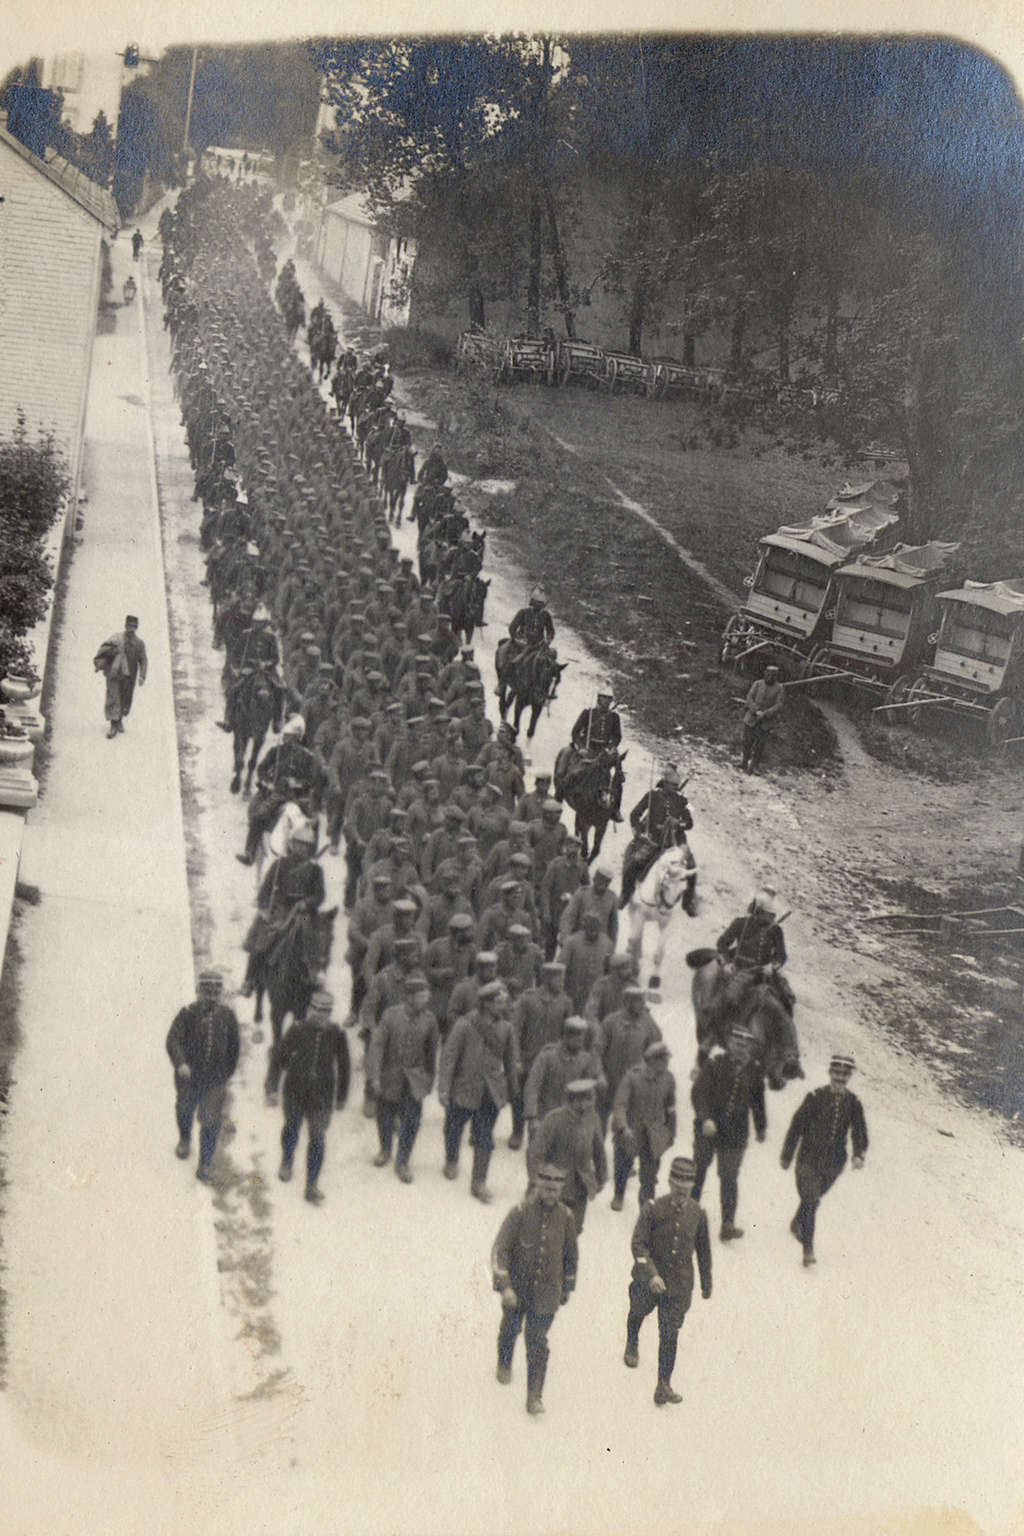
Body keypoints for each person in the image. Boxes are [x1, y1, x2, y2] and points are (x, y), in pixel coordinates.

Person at [491, 1162, 579, 1416]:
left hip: (547, 1294)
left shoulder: (566, 1218)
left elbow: (571, 1255)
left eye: (556, 1189)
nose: (550, 1193)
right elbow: (500, 1250)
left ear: (562, 1189)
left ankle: (534, 1396)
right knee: (509, 1329)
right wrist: (505, 1286)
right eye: (546, 1188)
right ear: (538, 1186)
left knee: (537, 1342)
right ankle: (504, 1361)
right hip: (517, 1291)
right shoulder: (520, 1212)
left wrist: (566, 1288)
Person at [623, 1155, 712, 1406]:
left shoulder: (698, 1214)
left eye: (688, 1183)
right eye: (678, 1181)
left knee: (670, 1334)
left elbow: (703, 1251)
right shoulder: (653, 1208)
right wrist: (651, 1274)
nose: (682, 1188)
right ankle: (632, 1340)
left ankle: (663, 1384)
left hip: (679, 1286)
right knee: (638, 1310)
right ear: (670, 1182)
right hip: (648, 1281)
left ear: (693, 1185)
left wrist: (707, 1283)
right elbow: (638, 1244)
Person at [780, 1052, 868, 1267]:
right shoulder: (815, 1097)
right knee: (811, 1201)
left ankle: (796, 1222)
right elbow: (796, 1126)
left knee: (813, 1199)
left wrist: (858, 1154)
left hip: (833, 1163)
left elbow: (859, 1131)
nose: (840, 1078)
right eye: (836, 1073)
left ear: (849, 1077)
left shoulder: (853, 1103)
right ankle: (807, 1249)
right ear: (830, 1073)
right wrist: (787, 1155)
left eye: (844, 1074)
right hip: (808, 1159)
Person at [690, 1024, 766, 1241]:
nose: (740, 1048)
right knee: (700, 1168)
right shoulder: (715, 1064)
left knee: (729, 1177)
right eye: (737, 1043)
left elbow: (758, 1102)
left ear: (750, 1047)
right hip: (709, 1128)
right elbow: (699, 1093)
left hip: (735, 1133)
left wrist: (761, 1128)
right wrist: (705, 1118)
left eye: (745, 1044)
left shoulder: (754, 1071)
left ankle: (727, 1224)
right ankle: (689, 1215)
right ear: (729, 1044)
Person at [274, 989, 350, 1204]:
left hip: (322, 1095)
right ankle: (287, 1160)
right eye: (315, 1010)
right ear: (308, 1010)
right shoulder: (297, 1030)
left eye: (325, 1012)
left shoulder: (336, 1034)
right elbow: (279, 1057)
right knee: (291, 1127)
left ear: (330, 1014)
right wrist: (274, 1083)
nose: (319, 1015)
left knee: (317, 1137)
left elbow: (344, 1066)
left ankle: (312, 1184)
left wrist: (342, 1095)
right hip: (295, 1091)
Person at [165, 970, 240, 1183]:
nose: (211, 994)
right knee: (184, 1108)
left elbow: (234, 1047)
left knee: (210, 1120)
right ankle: (185, 1138)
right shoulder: (187, 1013)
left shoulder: (228, 1017)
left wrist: (226, 1072)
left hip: (215, 1080)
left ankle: (205, 1163)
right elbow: (173, 1040)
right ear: (198, 991)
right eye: (207, 990)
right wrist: (181, 1063)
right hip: (189, 1077)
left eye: (216, 990)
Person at [366, 973, 439, 1182]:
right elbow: (377, 1046)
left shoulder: (430, 1020)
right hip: (390, 1075)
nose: (426, 999)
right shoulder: (390, 1016)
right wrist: (375, 1077)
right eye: (422, 996)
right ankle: (385, 1150)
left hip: (415, 1079)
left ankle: (403, 1161)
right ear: (409, 997)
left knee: (413, 1121)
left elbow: (432, 1052)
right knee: (385, 1114)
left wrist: (428, 1080)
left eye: (427, 995)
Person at [528, 1078, 606, 1234]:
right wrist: (536, 1181)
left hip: (581, 1187)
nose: (589, 1103)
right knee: (550, 1231)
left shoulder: (593, 1119)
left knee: (574, 1230)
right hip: (555, 1185)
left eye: (590, 1098)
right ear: (573, 1100)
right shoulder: (554, 1119)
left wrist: (601, 1178)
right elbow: (537, 1152)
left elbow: (599, 1151)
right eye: (585, 1099)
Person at [611, 1040, 676, 1210]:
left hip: (653, 1135)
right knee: (622, 1167)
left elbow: (671, 1108)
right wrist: (623, 1127)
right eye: (663, 1059)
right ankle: (619, 1194)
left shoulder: (668, 1079)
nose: (667, 1063)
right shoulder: (632, 1077)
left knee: (649, 1174)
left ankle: (646, 1206)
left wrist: (671, 1132)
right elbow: (620, 1104)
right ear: (652, 1060)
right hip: (631, 1132)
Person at [620, 763, 694, 909]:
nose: (675, 788)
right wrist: (639, 834)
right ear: (665, 783)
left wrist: (678, 823)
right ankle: (626, 894)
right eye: (672, 785)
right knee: (633, 865)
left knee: (691, 867)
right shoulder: (652, 795)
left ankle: (688, 901)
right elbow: (635, 814)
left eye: (677, 785)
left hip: (674, 843)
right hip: (653, 839)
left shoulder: (682, 801)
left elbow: (689, 823)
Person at [93, 614, 148, 738]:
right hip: (115, 674)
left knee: (125, 699)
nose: (131, 629)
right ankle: (113, 725)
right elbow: (104, 650)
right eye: (129, 626)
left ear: (137, 628)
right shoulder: (116, 639)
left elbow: (143, 660)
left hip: (129, 677)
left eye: (133, 627)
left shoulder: (139, 644)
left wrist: (142, 676)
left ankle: (119, 720)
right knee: (113, 697)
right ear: (125, 626)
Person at [741, 665, 785, 773]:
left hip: (766, 722)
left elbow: (779, 705)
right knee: (746, 741)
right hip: (751, 718)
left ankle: (755, 766)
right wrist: (756, 711)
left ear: (776, 677)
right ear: (765, 673)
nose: (770, 677)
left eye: (773, 675)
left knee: (760, 745)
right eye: (768, 674)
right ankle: (744, 762)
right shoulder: (757, 683)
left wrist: (765, 714)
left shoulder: (780, 688)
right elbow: (749, 698)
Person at [506, 588, 555, 667]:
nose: (540, 605)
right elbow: (512, 628)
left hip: (539, 644)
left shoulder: (546, 615)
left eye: (542, 603)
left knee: (550, 660)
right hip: (523, 643)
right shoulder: (523, 612)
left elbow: (551, 631)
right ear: (532, 602)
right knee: (516, 661)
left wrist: (548, 640)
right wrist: (518, 638)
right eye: (538, 602)